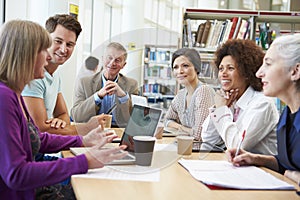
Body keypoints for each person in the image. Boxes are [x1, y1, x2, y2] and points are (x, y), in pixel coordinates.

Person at [0, 19, 127, 199]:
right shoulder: (4, 98)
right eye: (44, 50)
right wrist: (85, 161)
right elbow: (17, 175)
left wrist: (82, 141)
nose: (48, 56)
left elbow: (37, 138)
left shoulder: (14, 94)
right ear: (26, 55)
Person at [226, 34, 300, 185]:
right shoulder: (287, 114)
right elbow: (289, 163)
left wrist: (289, 174)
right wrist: (255, 159)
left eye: (268, 63)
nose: (259, 73)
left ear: (295, 71)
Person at [22, 14, 102, 136]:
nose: (64, 49)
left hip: (46, 148)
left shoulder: (55, 74)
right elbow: (41, 129)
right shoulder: (34, 76)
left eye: (69, 44)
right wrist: (86, 128)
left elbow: (63, 114)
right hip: (33, 153)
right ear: (45, 39)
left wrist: (59, 123)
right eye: (58, 41)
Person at [201, 39, 279, 154]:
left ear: (246, 73)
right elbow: (208, 139)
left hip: (262, 170)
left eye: (230, 68)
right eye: (221, 68)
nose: (223, 73)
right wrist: (219, 107)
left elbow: (237, 146)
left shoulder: (262, 104)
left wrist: (221, 110)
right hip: (241, 168)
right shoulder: (233, 100)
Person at [71, 42, 139, 127]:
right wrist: (97, 96)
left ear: (123, 65)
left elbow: (135, 120)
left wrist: (123, 96)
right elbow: (76, 116)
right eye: (109, 58)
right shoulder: (84, 82)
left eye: (117, 60)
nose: (112, 63)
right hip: (92, 132)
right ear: (103, 59)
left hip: (119, 134)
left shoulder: (132, 85)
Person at [164, 48, 215, 141]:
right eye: (175, 67)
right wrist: (184, 129)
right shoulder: (181, 95)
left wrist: (181, 129)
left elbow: (199, 135)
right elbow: (167, 121)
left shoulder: (203, 91)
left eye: (185, 66)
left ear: (196, 68)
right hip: (188, 147)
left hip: (206, 151)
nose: (180, 71)